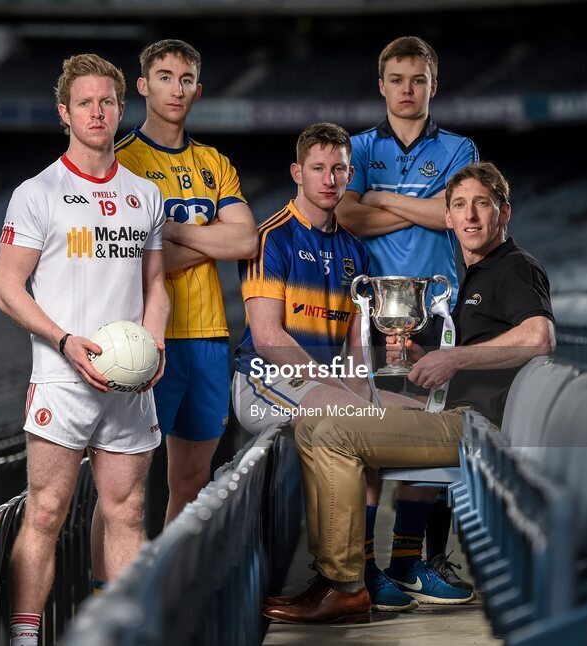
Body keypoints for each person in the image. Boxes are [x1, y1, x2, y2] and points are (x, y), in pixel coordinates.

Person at [263, 162, 556, 625]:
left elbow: (539, 336)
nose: (471, 216)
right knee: (315, 423)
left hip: (476, 428)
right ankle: (337, 574)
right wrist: (424, 355)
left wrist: (456, 358)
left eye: (483, 204)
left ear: (505, 213)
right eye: (459, 206)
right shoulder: (477, 274)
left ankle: (345, 585)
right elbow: (484, 354)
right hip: (458, 414)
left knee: (334, 432)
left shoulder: (515, 267)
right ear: (447, 219)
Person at [0, 54, 168, 646]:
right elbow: (5, 286)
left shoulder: (145, 194)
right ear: (65, 112)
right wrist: (65, 342)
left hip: (129, 381)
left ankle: (121, 635)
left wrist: (157, 344)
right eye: (86, 103)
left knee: (127, 512)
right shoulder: (37, 193)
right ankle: (24, 637)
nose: (98, 112)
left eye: (108, 102)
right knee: (45, 512)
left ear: (122, 109)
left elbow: (156, 288)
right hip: (63, 377)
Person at [235, 123, 428, 620]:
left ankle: (357, 575)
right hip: (263, 381)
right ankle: (338, 584)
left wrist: (369, 390)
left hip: (326, 385)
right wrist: (346, 390)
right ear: (298, 173)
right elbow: (270, 338)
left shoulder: (354, 252)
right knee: (354, 416)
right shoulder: (269, 238)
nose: (330, 179)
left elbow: (355, 347)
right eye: (318, 168)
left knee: (407, 414)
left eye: (339, 168)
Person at [337, 35, 480, 606]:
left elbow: (455, 217)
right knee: (368, 439)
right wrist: (418, 207)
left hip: (438, 315)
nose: (407, 89)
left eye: (418, 79)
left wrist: (384, 201)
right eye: (397, 79)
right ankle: (373, 568)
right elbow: (347, 215)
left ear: (433, 85)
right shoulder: (358, 147)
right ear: (381, 86)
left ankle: (414, 562)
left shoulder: (459, 147)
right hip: (370, 314)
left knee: (431, 439)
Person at [112, 39, 258, 542]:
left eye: (187, 79)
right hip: (146, 339)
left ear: (199, 90)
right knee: (124, 490)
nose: (177, 88)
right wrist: (210, 239)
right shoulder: (121, 161)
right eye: (166, 76)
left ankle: (168, 589)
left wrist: (173, 232)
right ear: (144, 85)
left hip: (209, 339)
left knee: (193, 480)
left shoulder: (214, 163)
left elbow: (245, 238)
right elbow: (133, 261)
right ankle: (108, 597)